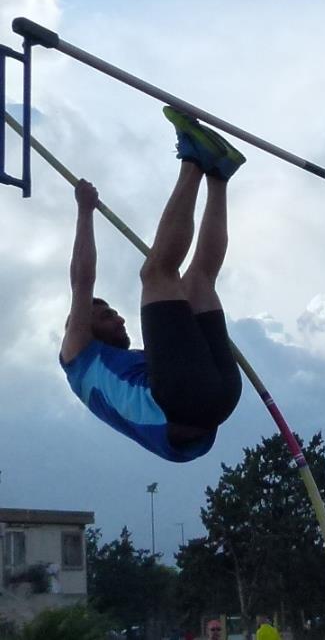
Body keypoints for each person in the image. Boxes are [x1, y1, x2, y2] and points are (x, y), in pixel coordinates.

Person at [60, 107, 246, 462]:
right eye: (106, 315)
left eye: (113, 312)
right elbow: (82, 282)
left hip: (216, 400)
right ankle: (193, 159)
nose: (118, 317)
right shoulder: (77, 355)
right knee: (157, 275)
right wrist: (85, 211)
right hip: (184, 401)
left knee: (199, 281)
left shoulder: (129, 367)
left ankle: (219, 176)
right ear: (81, 327)